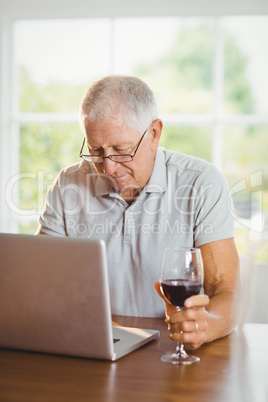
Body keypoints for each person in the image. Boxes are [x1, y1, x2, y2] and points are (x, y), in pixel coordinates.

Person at [37, 75, 240, 350]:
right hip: (93, 344)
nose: (108, 168)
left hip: (173, 350)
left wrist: (205, 324)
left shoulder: (201, 183)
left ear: (154, 134)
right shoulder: (68, 184)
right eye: (96, 151)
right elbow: (39, 280)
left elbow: (226, 290)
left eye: (121, 151)